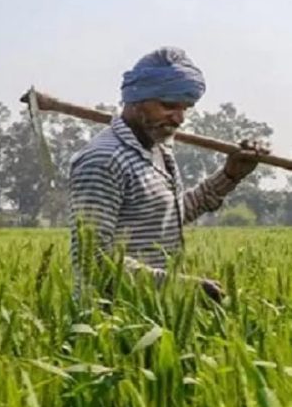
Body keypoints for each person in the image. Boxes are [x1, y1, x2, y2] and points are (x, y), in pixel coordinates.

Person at [68, 46, 266, 302]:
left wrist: (230, 176)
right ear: (136, 99)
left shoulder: (157, 149)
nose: (179, 118)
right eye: (169, 105)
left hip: (155, 309)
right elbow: (93, 258)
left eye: (186, 108)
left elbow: (170, 215)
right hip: (110, 316)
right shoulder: (104, 160)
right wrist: (181, 286)